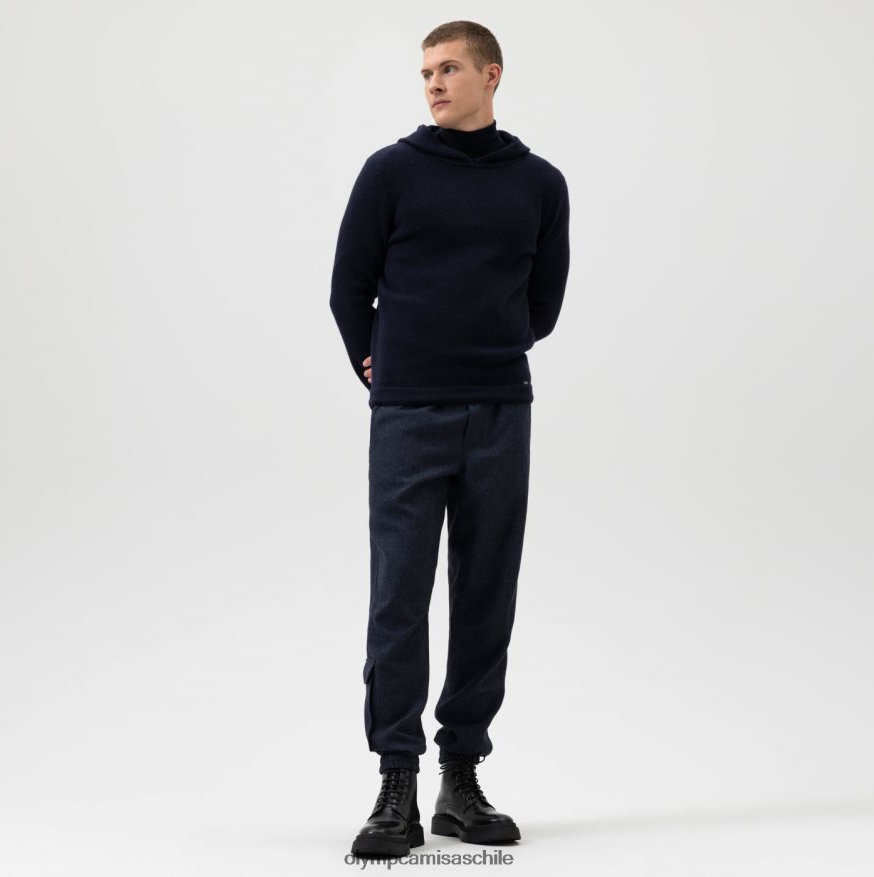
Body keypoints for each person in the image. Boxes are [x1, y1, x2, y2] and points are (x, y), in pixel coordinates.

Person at [330, 19, 570, 859]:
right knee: (398, 594)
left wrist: (485, 346)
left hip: (500, 408)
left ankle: (459, 778)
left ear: (490, 75)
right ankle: (394, 781)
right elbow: (348, 286)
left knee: (484, 594)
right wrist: (381, 362)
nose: (432, 83)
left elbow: (543, 302)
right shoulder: (390, 172)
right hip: (408, 412)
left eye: (448, 69)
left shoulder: (538, 183)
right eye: (425, 72)